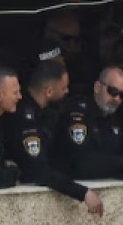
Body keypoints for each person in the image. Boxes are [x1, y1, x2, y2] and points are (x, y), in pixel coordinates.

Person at [6, 60, 103, 215]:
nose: (67, 92)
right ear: (49, 91)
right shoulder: (24, 117)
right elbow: (38, 171)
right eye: (64, 88)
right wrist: (83, 193)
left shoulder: (47, 113)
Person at [55, 66, 123, 184]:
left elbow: (114, 157)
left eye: (122, 95)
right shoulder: (77, 116)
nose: (117, 99)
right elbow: (82, 163)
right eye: (113, 91)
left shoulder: (116, 120)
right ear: (97, 87)